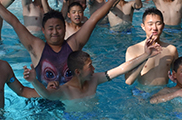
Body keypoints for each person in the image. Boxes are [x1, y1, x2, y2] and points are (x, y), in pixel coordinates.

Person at [0, 0, 124, 87]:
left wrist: (112, 0)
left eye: (58, 27)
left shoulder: (73, 44)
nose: (55, 32)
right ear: (43, 31)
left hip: (70, 101)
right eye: (50, 28)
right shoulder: (37, 47)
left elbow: (93, 19)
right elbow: (15, 23)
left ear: (64, 28)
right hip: (45, 101)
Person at [24, 35, 162, 101]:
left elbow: (121, 69)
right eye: (90, 66)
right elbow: (46, 95)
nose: (94, 69)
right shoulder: (65, 90)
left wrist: (146, 54)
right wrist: (33, 81)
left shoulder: (94, 79)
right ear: (78, 72)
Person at [124, 8, 179, 86]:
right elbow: (129, 81)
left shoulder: (171, 50)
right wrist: (146, 56)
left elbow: (177, 77)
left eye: (158, 24)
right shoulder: (133, 50)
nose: (154, 28)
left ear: (163, 26)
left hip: (163, 92)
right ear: (143, 26)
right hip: (142, 92)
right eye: (150, 24)